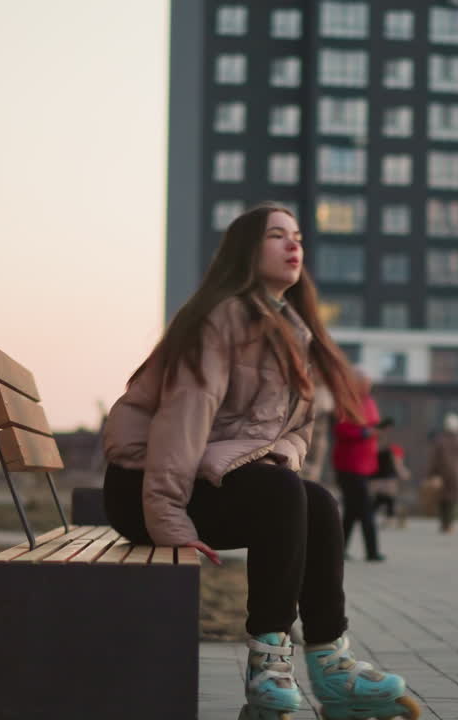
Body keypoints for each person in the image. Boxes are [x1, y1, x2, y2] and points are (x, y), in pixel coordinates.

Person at [100, 203, 420, 720]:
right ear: (247, 251)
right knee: (283, 493)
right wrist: (167, 518)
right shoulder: (221, 315)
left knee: (317, 500)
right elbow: (183, 416)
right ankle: (269, 663)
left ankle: (329, 662)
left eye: (297, 236)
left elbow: (297, 431)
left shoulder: (292, 331)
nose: (294, 244)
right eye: (277, 236)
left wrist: (272, 462)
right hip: (143, 487)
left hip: (201, 479)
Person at [332, 373, 392, 562]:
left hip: (366, 463)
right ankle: (372, 551)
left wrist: (377, 431)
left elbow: (373, 425)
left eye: (369, 385)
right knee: (365, 509)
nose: (367, 388)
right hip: (349, 464)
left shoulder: (369, 402)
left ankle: (338, 550)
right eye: (364, 385)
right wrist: (366, 432)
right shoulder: (346, 402)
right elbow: (342, 430)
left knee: (351, 510)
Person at [428, 413, 458, 534]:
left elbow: (434, 459)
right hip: (457, 473)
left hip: (441, 473)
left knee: (442, 499)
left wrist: (431, 474)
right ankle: (450, 524)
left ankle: (444, 523)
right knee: (453, 500)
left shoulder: (439, 440)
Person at [369, 443, 409, 529]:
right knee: (390, 501)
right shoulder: (395, 458)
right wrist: (405, 475)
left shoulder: (380, 456)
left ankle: (369, 517)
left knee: (379, 501)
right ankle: (390, 520)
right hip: (389, 484)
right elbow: (401, 471)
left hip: (378, 484)